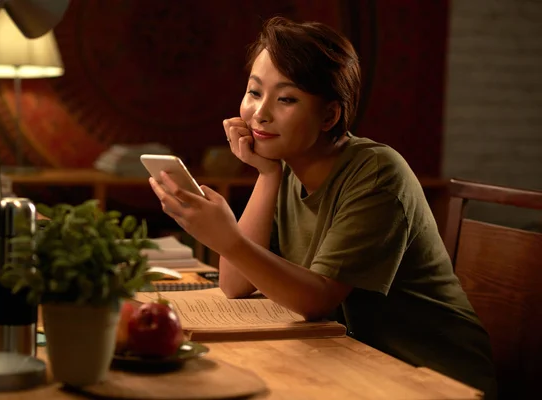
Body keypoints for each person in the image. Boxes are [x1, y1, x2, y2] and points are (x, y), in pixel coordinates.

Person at [149, 16, 497, 398]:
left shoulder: (377, 173)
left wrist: (227, 239)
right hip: (352, 362)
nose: (259, 113)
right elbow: (235, 285)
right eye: (253, 91)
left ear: (329, 115)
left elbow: (316, 299)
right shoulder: (287, 168)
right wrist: (266, 176)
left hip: (432, 376)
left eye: (286, 99)